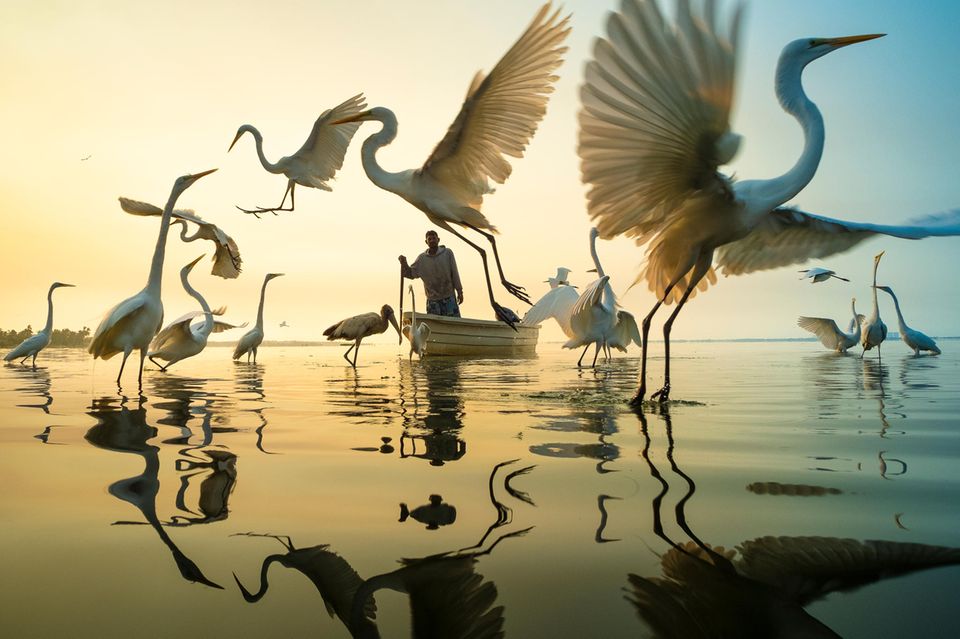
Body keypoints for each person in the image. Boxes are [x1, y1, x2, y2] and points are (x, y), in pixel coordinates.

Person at [399, 230, 464, 317]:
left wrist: (459, 291)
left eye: (434, 238)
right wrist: (404, 263)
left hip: (449, 296)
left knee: (454, 322)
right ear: (426, 242)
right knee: (434, 325)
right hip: (433, 300)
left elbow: (455, 272)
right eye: (429, 239)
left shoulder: (447, 253)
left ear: (438, 240)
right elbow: (410, 274)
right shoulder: (422, 259)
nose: (432, 240)